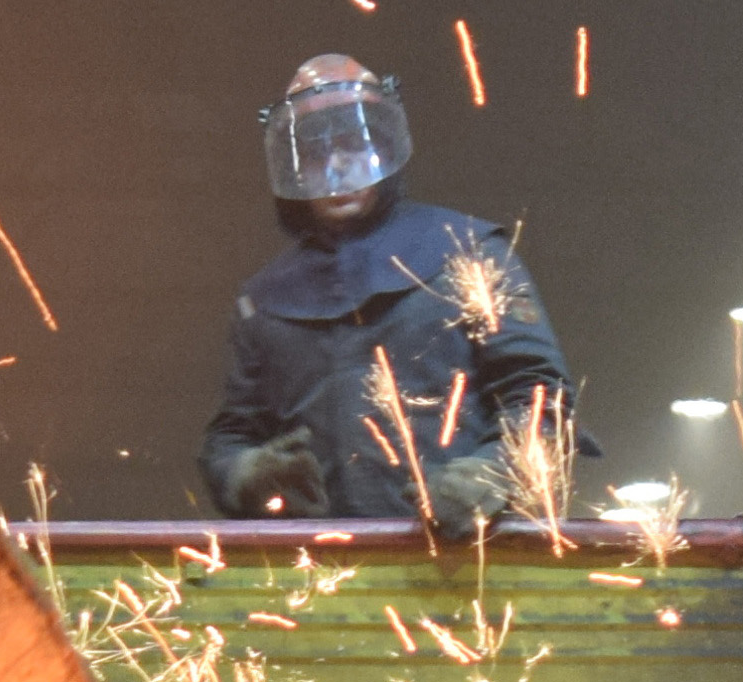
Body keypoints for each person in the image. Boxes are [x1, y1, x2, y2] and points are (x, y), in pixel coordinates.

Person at [200, 55, 584, 527]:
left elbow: (540, 399)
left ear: (382, 145)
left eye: (351, 143)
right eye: (316, 152)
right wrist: (248, 473)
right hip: (320, 568)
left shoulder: (467, 253)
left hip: (464, 559)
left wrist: (492, 475)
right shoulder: (264, 301)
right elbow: (230, 438)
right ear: (292, 166)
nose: (337, 167)